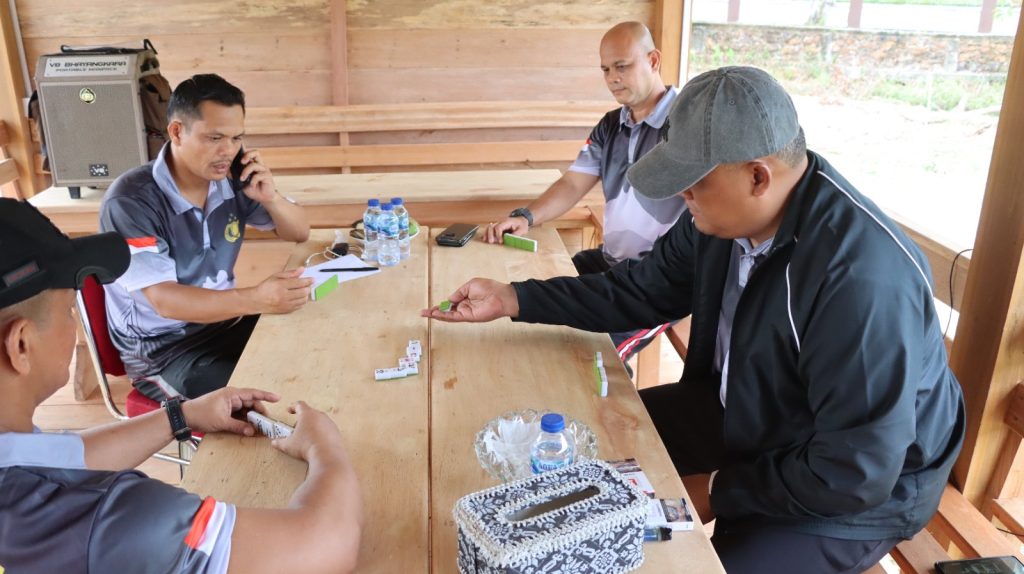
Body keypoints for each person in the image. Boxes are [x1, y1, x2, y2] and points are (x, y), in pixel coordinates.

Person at [424, 66, 965, 573]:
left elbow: (855, 470)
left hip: (854, 486)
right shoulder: (720, 219)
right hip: (743, 411)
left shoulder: (860, 280)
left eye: (693, 181)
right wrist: (515, 298)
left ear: (758, 176)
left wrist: (713, 489)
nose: (682, 195)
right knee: (592, 448)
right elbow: (638, 290)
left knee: (696, 563)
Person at [0, 198, 361, 573]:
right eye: (68, 311)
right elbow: (328, 544)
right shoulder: (110, 520)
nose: (72, 323)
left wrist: (182, 415)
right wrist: (325, 448)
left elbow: (62, 459)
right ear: (21, 344)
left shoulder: (17, 464)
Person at [484, 21, 687, 371]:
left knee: (592, 356)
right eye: (606, 69)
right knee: (537, 291)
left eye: (622, 66)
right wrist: (526, 217)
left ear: (653, 60)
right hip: (610, 259)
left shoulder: (686, 124)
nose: (613, 78)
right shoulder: (610, 125)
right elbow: (573, 183)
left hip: (657, 281)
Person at [99, 73, 312, 401]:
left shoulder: (232, 179)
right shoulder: (131, 201)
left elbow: (299, 231)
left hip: (223, 324)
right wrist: (258, 298)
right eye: (214, 138)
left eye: (236, 137)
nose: (228, 151)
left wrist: (271, 198)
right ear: (176, 132)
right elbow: (165, 300)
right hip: (164, 355)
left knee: (309, 347)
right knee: (264, 400)